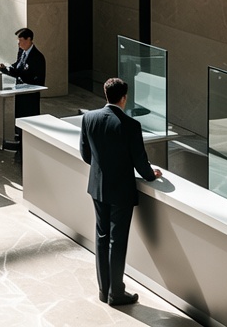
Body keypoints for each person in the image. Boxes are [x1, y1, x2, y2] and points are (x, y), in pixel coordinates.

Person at [80, 77, 162, 307]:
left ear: (107, 95)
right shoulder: (131, 125)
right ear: (124, 97)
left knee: (101, 237)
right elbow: (140, 162)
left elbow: (86, 155)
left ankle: (103, 289)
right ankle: (116, 293)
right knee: (118, 241)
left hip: (97, 187)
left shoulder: (89, 118)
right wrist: (151, 175)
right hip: (121, 191)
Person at [0, 26, 46, 159]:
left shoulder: (38, 57)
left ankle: (28, 149)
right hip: (20, 94)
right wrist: (1, 67)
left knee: (29, 121)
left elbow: (36, 78)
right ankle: (20, 146)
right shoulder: (22, 52)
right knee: (18, 120)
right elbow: (16, 67)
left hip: (29, 97)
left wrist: (20, 78)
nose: (18, 43)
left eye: (21, 40)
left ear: (29, 40)